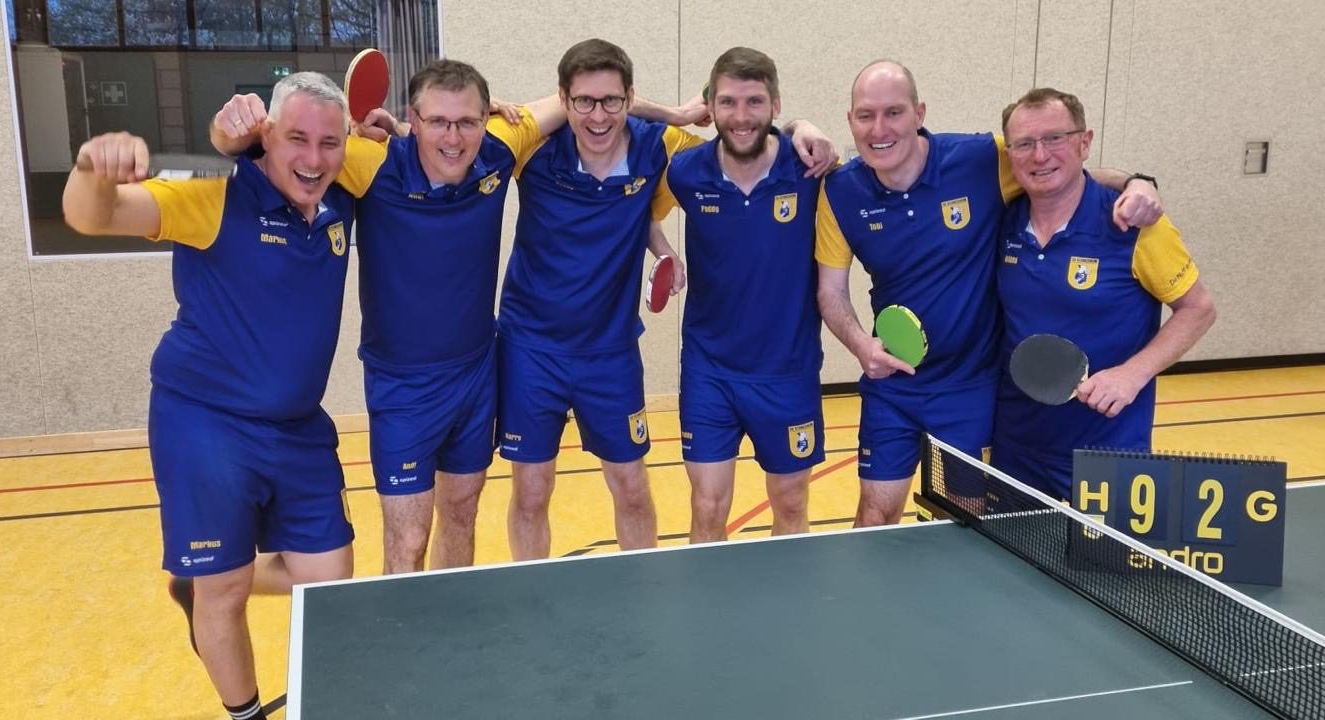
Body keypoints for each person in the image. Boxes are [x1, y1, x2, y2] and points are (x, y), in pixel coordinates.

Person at [64, 72, 355, 720]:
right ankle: (243, 709)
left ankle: (202, 579)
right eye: (297, 139)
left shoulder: (341, 195)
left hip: (298, 427)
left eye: (329, 142)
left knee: (329, 583)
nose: (313, 158)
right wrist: (91, 169)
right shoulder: (213, 193)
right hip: (206, 422)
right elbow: (93, 215)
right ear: (267, 136)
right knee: (222, 589)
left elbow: (433, 137)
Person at [210, 60, 562, 573]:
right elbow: (273, 148)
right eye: (437, 122)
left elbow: (576, 99)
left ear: (485, 118)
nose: (453, 138)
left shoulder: (498, 149)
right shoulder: (369, 162)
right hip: (402, 388)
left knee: (461, 514)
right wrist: (227, 134)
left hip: (475, 374)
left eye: (467, 122)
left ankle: (445, 614)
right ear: (413, 120)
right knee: (409, 536)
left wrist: (671, 113)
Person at [498, 39, 835, 559]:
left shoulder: (662, 151)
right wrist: (676, 112)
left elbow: (739, 141)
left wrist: (801, 125)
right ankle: (529, 592)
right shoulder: (534, 149)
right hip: (531, 349)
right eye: (583, 101)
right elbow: (455, 134)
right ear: (563, 101)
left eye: (612, 101)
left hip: (610, 353)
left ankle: (646, 592)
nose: (598, 115)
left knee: (633, 489)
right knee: (532, 491)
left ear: (630, 99)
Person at [814, 61, 1164, 526]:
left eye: (894, 112)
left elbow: (1060, 168)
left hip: (971, 386)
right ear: (850, 120)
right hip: (893, 385)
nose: (880, 129)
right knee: (874, 514)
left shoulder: (980, 160)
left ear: (919, 113)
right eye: (866, 115)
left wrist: (1138, 181)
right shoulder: (839, 192)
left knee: (965, 522)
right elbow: (831, 290)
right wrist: (861, 345)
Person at [992, 87, 1216, 499]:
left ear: (1085, 142)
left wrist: (1132, 374)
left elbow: (1198, 309)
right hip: (1015, 447)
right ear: (1010, 154)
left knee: (1103, 548)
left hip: (1108, 450)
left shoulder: (1135, 224)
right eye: (1024, 144)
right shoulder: (1002, 218)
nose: (1039, 155)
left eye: (1055, 138)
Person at [661, 47, 827, 542]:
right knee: (707, 505)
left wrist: (803, 126)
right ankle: (709, 596)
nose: (740, 116)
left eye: (754, 102)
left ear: (775, 104)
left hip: (788, 370)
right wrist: (664, 252)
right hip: (709, 369)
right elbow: (641, 205)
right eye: (728, 102)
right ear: (710, 106)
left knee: (791, 503)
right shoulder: (686, 171)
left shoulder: (809, 169)